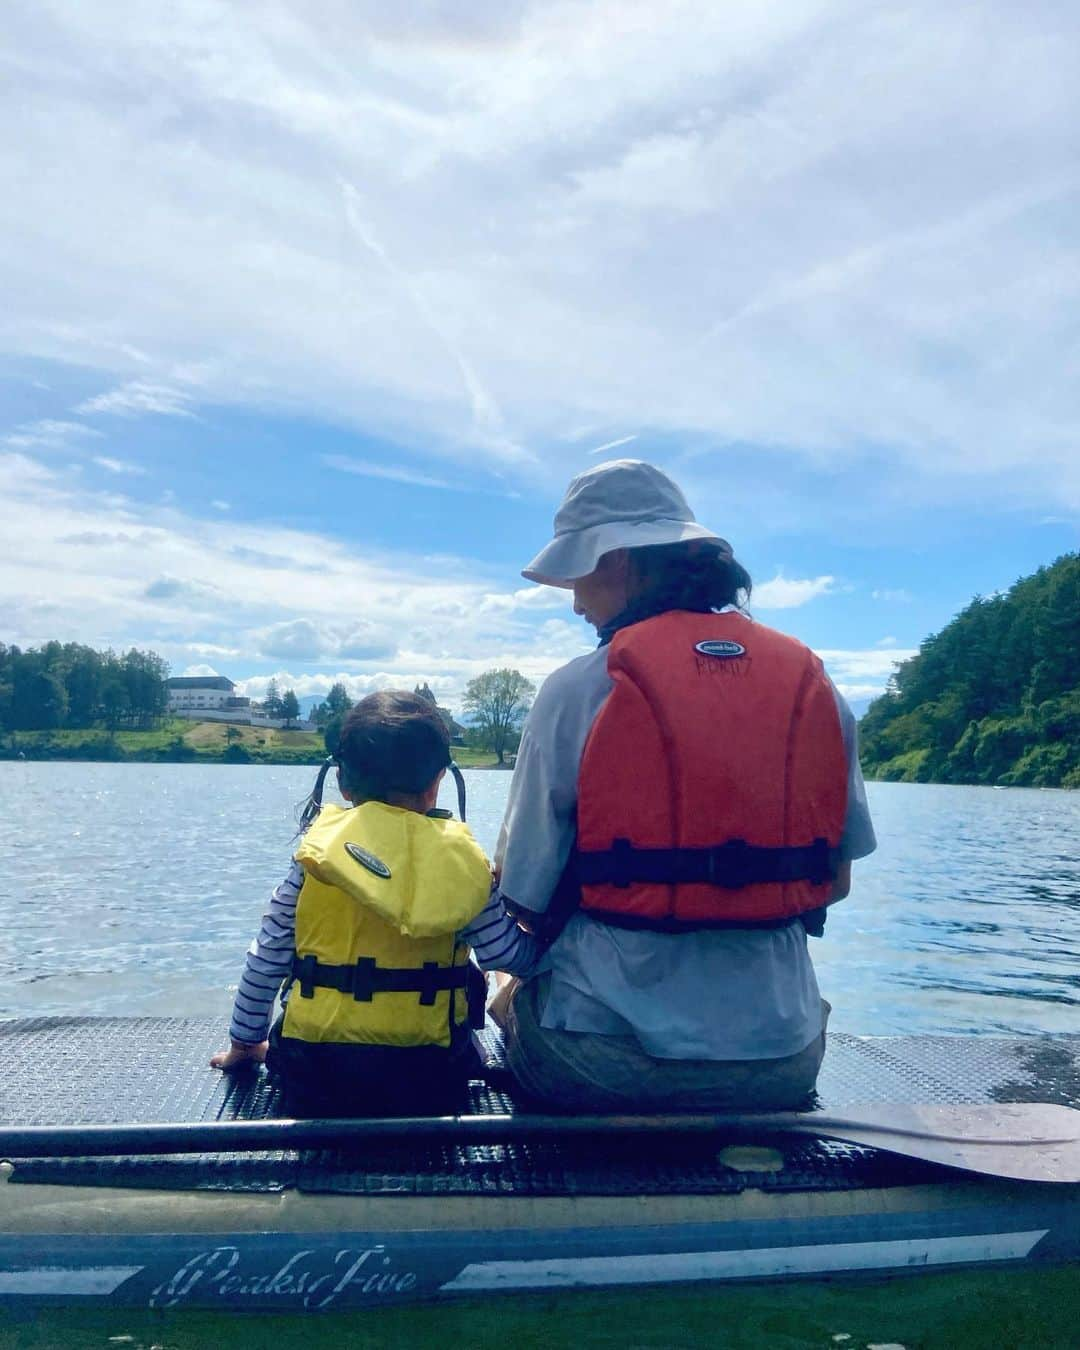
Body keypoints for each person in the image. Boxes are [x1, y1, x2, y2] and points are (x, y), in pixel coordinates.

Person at [491, 459, 876, 1112]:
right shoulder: (812, 682)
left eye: (579, 576)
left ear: (618, 562)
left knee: (506, 990)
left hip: (601, 1066)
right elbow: (833, 882)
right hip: (783, 1060)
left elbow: (521, 899)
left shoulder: (575, 689)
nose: (577, 602)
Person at [211, 690, 538, 1116]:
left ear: (343, 782)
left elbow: (266, 958)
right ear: (438, 783)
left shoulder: (315, 860)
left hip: (313, 1076)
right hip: (433, 1078)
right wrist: (550, 935)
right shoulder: (465, 866)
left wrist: (246, 1042)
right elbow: (508, 955)